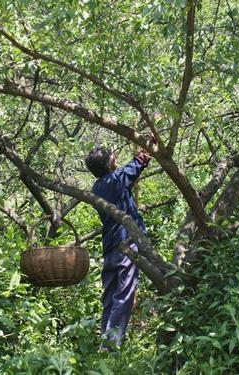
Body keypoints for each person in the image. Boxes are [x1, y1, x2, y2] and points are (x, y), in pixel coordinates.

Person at [84, 141, 154, 351]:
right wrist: (147, 149)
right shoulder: (115, 180)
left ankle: (105, 342)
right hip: (126, 242)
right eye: (113, 156)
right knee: (124, 293)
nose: (116, 158)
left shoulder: (98, 187)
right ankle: (110, 345)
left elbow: (127, 177)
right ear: (108, 163)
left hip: (110, 245)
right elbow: (137, 165)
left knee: (110, 294)